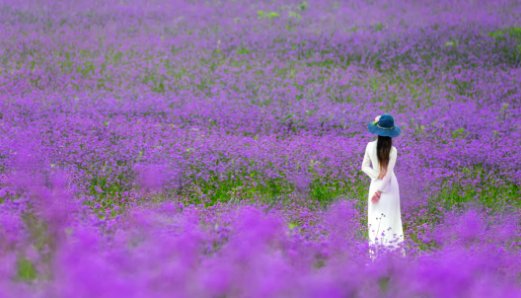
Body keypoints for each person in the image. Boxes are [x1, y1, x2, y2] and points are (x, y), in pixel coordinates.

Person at [361, 114, 405, 260]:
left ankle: (376, 259)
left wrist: (376, 176)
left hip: (375, 186)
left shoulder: (369, 146)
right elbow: (388, 175)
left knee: (375, 222)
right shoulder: (393, 151)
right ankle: (394, 258)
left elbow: (364, 167)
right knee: (392, 222)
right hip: (390, 188)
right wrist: (380, 189)